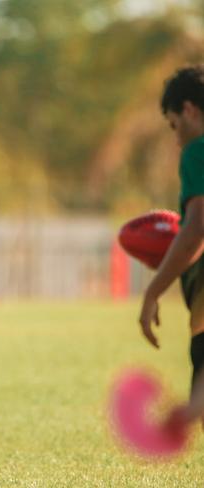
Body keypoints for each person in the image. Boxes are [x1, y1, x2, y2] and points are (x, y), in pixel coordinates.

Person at [138, 65, 204, 431]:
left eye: (175, 125)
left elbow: (197, 228)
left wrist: (153, 291)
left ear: (190, 110)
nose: (177, 139)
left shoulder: (198, 152)